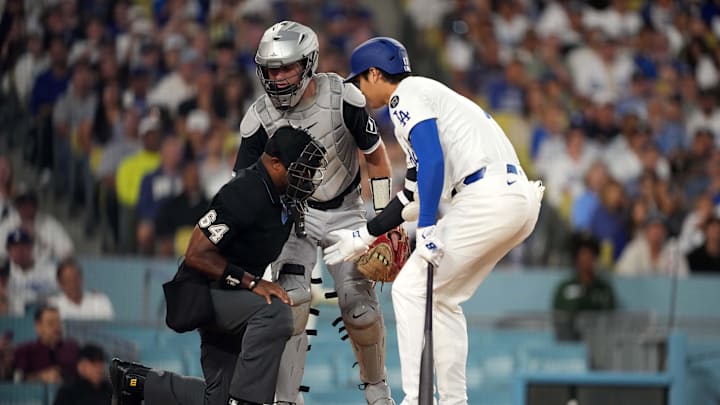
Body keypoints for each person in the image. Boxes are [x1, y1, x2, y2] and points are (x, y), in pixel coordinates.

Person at [324, 37, 544, 405]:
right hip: (512, 200)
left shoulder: (405, 96)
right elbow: (412, 195)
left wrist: (426, 228)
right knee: (442, 300)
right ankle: (453, 401)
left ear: (375, 74)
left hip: (487, 197)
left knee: (409, 289)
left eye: (360, 81)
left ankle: (415, 399)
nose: (359, 90)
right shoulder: (426, 96)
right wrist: (364, 235)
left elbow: (433, 161)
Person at [233, 21, 395, 405]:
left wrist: (384, 225)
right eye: (272, 70)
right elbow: (246, 188)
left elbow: (378, 160)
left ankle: (378, 390)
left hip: (348, 211)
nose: (280, 77)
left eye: (288, 67)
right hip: (294, 217)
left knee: (360, 310)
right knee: (291, 302)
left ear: (308, 63)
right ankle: (286, 400)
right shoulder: (257, 119)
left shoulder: (345, 98)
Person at [109, 126, 327, 405]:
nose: (307, 178)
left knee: (219, 400)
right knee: (275, 313)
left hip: (236, 301)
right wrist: (253, 282)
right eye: (302, 170)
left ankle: (135, 381)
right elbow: (196, 253)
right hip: (204, 292)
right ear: (275, 163)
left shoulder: (283, 196)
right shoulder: (245, 192)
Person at [552, 234, 616, 341]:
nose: (586, 258)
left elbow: (611, 318)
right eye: (583, 254)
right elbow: (558, 317)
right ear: (576, 258)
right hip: (569, 343)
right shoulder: (565, 288)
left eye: (590, 254)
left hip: (599, 342)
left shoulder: (604, 289)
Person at [13, 305, 80, 384]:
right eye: (51, 323)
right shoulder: (25, 351)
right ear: (38, 327)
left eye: (58, 322)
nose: (57, 328)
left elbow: (82, 375)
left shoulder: (73, 348)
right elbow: (17, 379)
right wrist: (39, 377)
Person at [47, 257, 115, 320]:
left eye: (75, 279)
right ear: (60, 283)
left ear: (81, 278)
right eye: (68, 281)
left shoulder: (100, 302)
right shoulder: (53, 306)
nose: (73, 285)